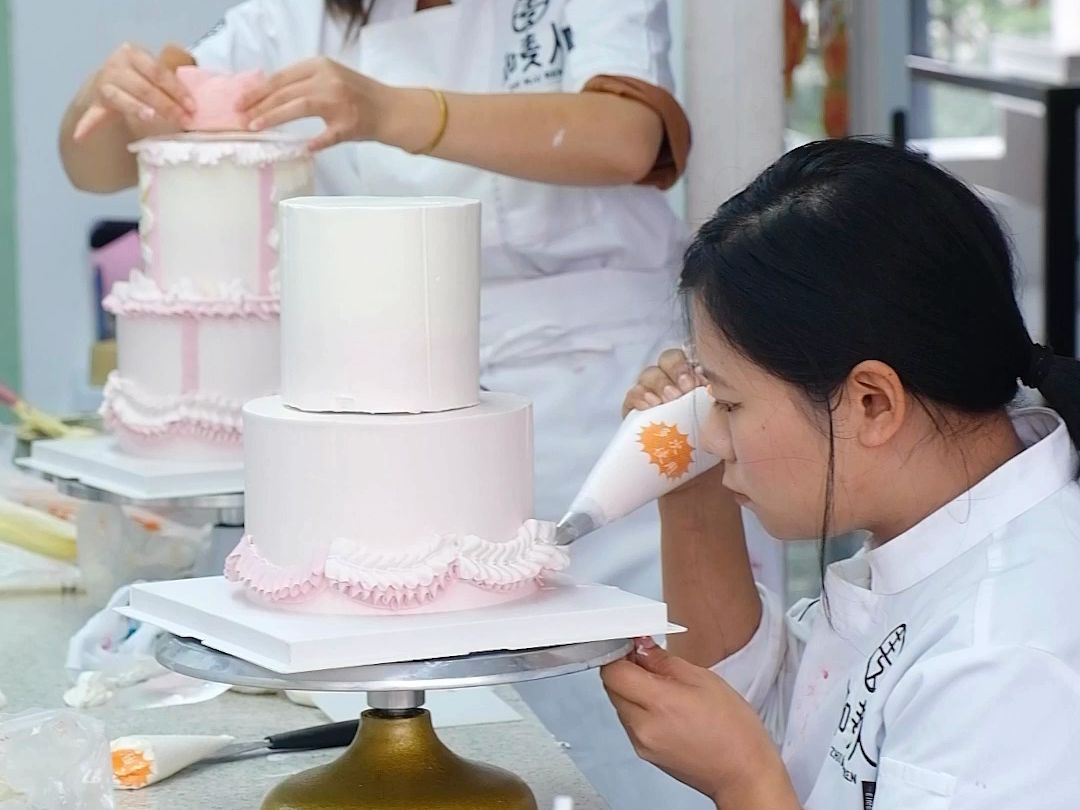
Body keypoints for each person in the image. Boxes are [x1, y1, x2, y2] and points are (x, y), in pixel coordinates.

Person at [59, 3, 710, 807]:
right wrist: (112, 90)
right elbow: (91, 164)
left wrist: (387, 109)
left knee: (644, 716)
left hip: (598, 400)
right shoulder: (291, 21)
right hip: (383, 396)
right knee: (457, 729)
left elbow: (628, 138)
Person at [601, 137, 1080, 808]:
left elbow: (764, 762)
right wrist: (691, 494)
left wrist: (744, 781)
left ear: (871, 403)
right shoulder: (930, 523)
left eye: (730, 403)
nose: (711, 432)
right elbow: (774, 723)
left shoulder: (1004, 655)